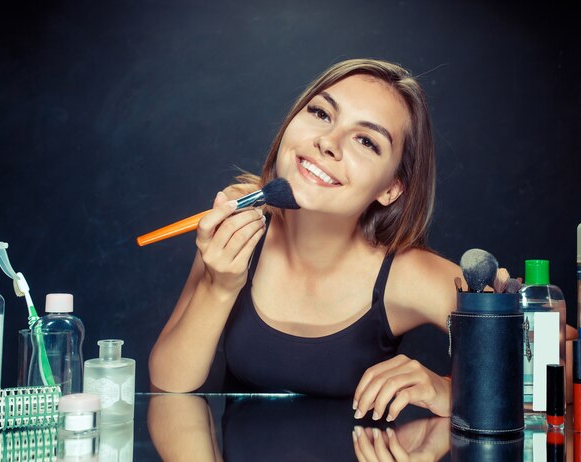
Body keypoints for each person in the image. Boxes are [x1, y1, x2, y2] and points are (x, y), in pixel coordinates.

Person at [149, 58, 464, 422]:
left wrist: (450, 390)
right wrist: (218, 286)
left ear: (391, 189)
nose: (328, 142)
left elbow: (542, 342)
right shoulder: (242, 221)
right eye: (321, 113)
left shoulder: (408, 273)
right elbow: (170, 386)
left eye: (366, 140)